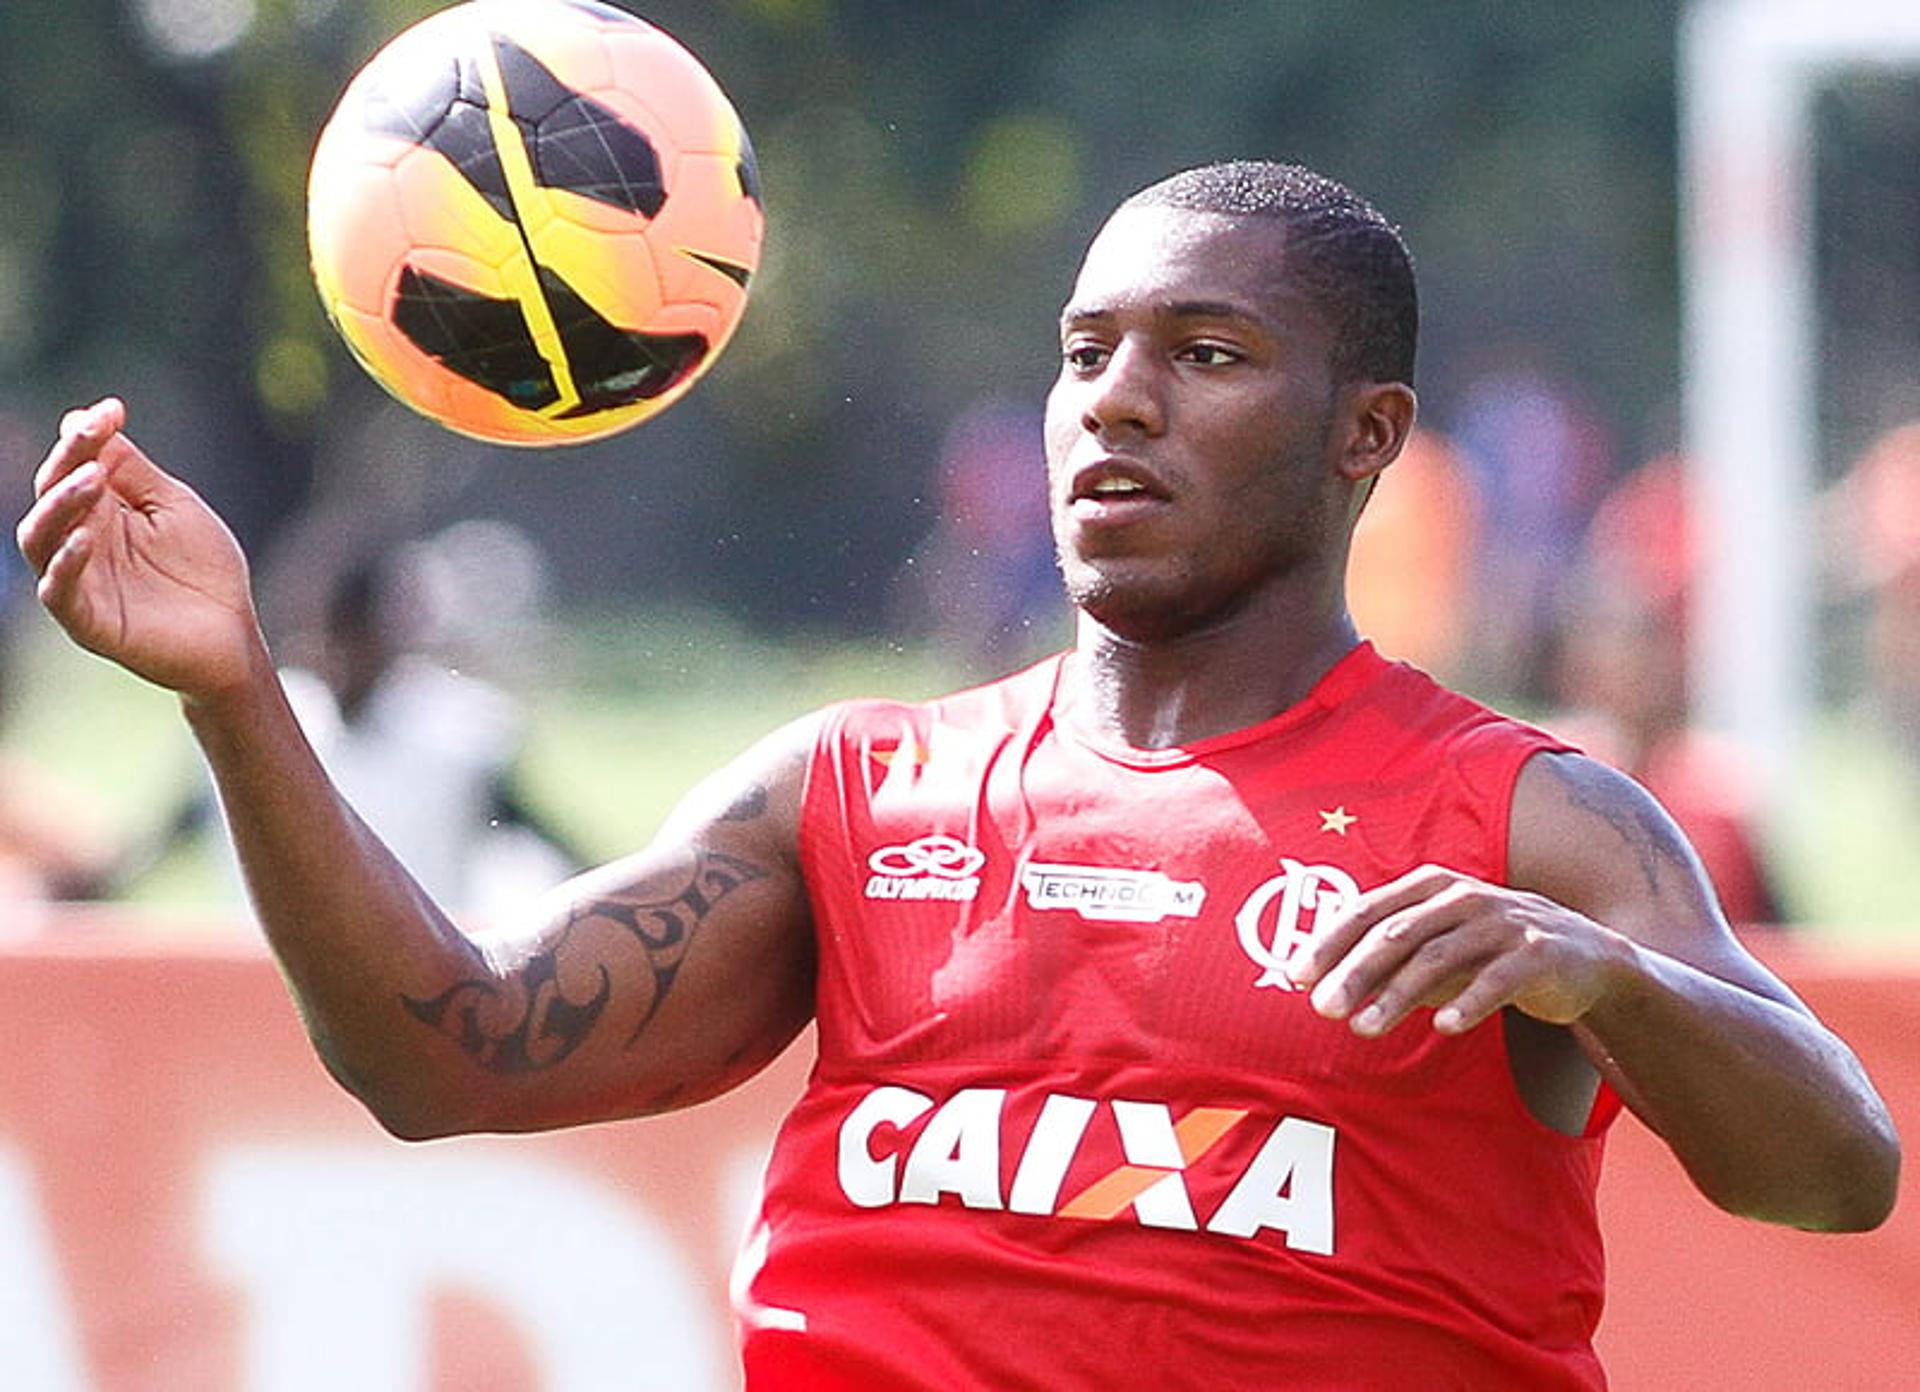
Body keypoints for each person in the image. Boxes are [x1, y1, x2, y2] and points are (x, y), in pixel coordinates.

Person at [16, 161, 1898, 1389]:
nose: (1120, 401)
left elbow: (1837, 1173)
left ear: (1366, 435)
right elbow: (446, 1053)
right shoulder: (858, 792)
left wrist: (1609, 975)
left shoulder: (1528, 823)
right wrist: (235, 694)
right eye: (1087, 354)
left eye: (1208, 352)